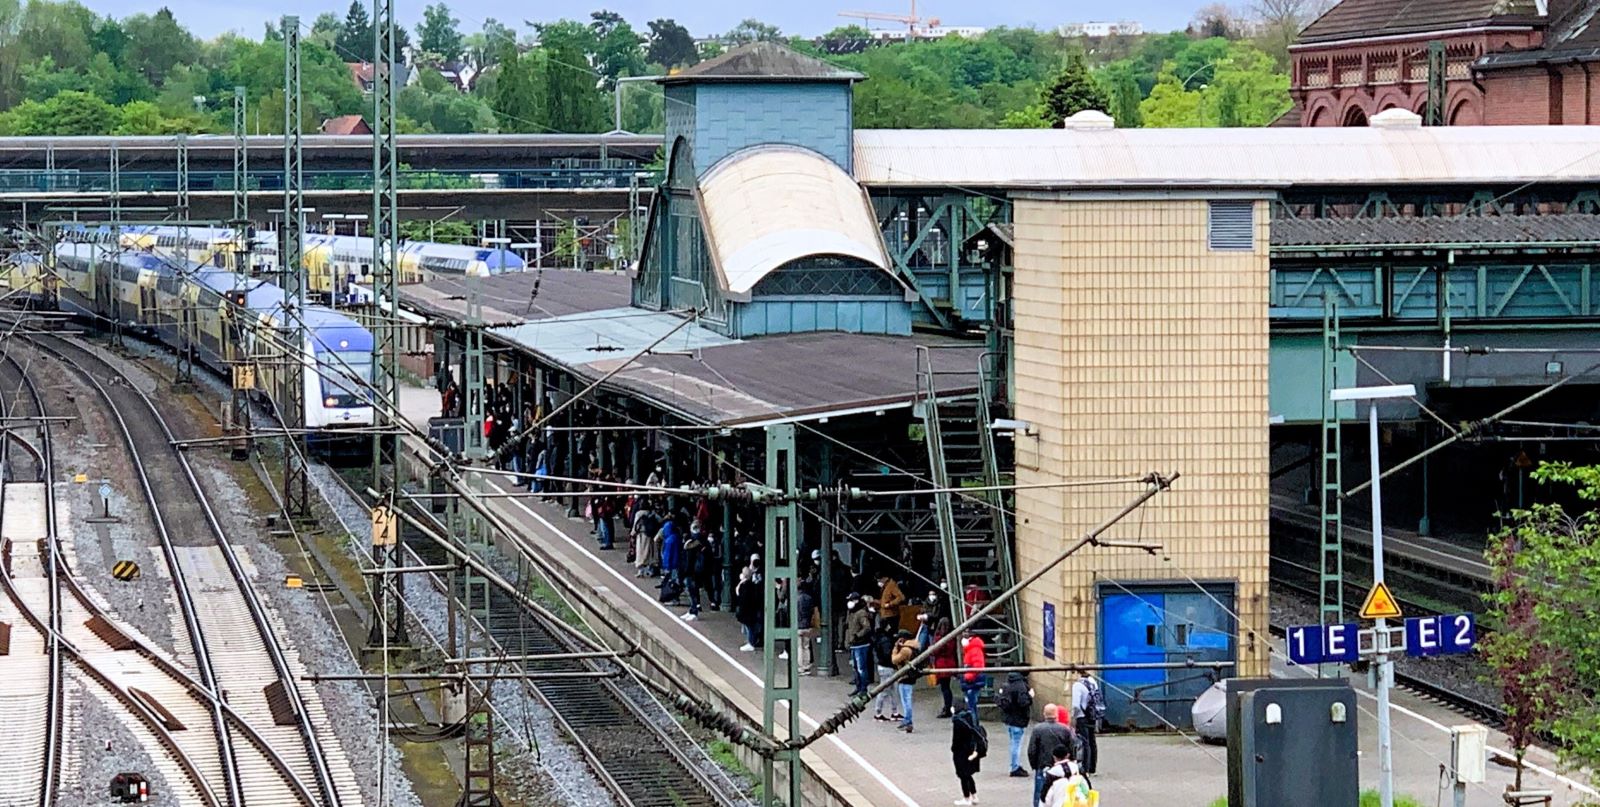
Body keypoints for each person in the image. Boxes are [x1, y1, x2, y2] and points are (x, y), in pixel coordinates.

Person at [1027, 704, 1079, 806]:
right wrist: (1072, 760)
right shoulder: (1065, 729)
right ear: (1056, 714)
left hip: (1043, 765)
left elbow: (1032, 750)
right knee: (1062, 793)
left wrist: (1034, 765)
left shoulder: (1038, 729)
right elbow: (1072, 747)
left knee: (1040, 793)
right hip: (1061, 766)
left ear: (1044, 714)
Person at [997, 671, 1034, 777]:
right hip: (1018, 719)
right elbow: (1023, 702)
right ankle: (1015, 767)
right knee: (1016, 744)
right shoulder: (1021, 686)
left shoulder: (1007, 684)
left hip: (1008, 719)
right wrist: (1030, 696)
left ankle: (1015, 764)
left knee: (1013, 743)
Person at [950, 704, 986, 806]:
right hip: (971, 750)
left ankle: (966, 797)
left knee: (962, 775)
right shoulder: (970, 717)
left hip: (961, 752)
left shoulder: (958, 721)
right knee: (968, 774)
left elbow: (956, 740)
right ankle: (974, 796)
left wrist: (953, 749)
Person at [1070, 673, 1103, 775]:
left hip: (1082, 716)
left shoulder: (1077, 685)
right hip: (1092, 716)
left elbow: (1076, 705)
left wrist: (1073, 717)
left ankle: (1085, 768)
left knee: (1084, 742)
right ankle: (1093, 768)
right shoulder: (1093, 683)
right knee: (1092, 741)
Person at [844, 592, 874, 696]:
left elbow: (867, 627)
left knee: (861, 668)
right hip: (854, 644)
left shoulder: (860, 613)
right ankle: (859, 687)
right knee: (856, 667)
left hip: (860, 644)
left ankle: (863, 689)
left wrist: (857, 635)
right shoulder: (852, 612)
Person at [679, 520, 708, 621]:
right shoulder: (691, 540)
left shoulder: (699, 541)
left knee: (693, 590)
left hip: (693, 571)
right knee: (689, 590)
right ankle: (692, 609)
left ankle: (694, 610)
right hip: (689, 570)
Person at [930, 617, 959, 718]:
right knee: (947, 687)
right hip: (950, 662)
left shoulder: (939, 638)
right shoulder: (952, 637)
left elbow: (935, 651)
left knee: (945, 688)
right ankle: (948, 706)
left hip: (942, 664)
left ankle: (947, 708)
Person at [891, 629, 918, 733]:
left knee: (906, 700)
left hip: (905, 677)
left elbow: (894, 660)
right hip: (910, 676)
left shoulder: (905, 650)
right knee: (907, 698)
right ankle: (908, 720)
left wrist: (895, 648)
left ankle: (908, 720)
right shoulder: (914, 646)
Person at [871, 623, 898, 721]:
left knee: (892, 690)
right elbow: (887, 654)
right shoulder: (886, 640)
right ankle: (878, 713)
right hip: (887, 667)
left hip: (882, 666)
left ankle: (894, 712)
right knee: (885, 691)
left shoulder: (878, 638)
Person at [735, 566, 763, 651]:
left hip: (747, 611)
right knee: (749, 627)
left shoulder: (746, 585)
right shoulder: (752, 585)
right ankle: (750, 641)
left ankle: (751, 642)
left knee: (750, 627)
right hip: (750, 610)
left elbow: (739, 594)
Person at [960, 633, 988, 717]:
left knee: (971, 706)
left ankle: (973, 725)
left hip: (973, 681)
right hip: (972, 680)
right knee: (971, 705)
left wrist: (966, 677)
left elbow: (978, 667)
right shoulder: (971, 649)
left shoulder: (974, 650)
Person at [796, 574, 818, 674]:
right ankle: (807, 665)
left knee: (799, 647)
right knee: (806, 646)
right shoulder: (809, 598)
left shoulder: (796, 598)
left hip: (798, 625)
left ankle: (800, 667)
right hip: (808, 625)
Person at [631, 503, 660, 577]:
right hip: (651, 535)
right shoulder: (652, 513)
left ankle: (641, 571)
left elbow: (635, 524)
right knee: (651, 553)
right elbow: (660, 520)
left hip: (642, 535)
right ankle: (650, 570)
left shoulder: (639, 513)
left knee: (641, 553)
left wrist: (632, 533)